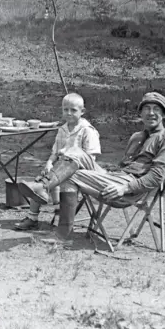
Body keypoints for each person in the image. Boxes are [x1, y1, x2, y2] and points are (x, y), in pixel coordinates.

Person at [17, 92, 165, 243]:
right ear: (140, 114)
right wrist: (108, 174)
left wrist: (125, 188)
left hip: (128, 188)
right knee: (75, 151)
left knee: (70, 175)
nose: (151, 113)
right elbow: (124, 166)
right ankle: (43, 187)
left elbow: (157, 177)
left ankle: (61, 232)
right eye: (147, 109)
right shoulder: (137, 137)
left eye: (156, 109)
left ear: (163, 114)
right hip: (115, 176)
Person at [15, 93, 101, 231]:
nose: (69, 113)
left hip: (80, 170)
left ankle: (59, 212)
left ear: (82, 111)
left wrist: (70, 165)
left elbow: (91, 159)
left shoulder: (87, 130)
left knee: (55, 181)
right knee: (43, 177)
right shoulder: (63, 129)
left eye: (73, 110)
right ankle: (33, 218)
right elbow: (55, 153)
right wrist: (49, 163)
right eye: (65, 109)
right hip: (60, 169)